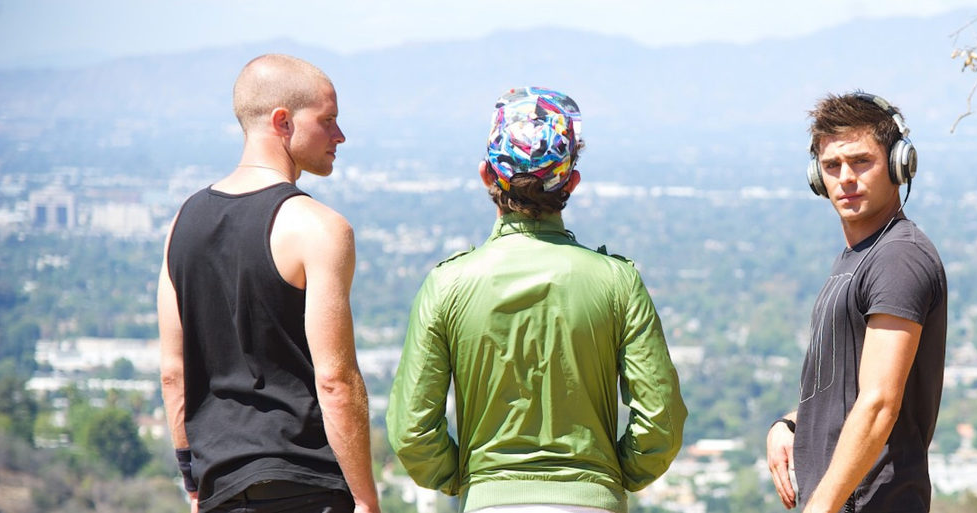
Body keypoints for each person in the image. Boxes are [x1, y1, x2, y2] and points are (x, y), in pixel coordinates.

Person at [386, 87, 687, 513]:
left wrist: (466, 481)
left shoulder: (447, 285)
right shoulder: (618, 282)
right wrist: (612, 476)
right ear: (572, 183)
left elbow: (412, 432)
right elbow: (661, 421)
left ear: (487, 176)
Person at [157, 54, 380, 513]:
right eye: (329, 120)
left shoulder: (183, 223)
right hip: (306, 485)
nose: (340, 136)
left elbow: (173, 372)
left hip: (219, 485)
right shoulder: (319, 228)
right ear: (283, 121)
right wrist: (364, 499)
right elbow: (336, 380)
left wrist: (193, 482)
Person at [765, 92, 948, 512]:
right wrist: (791, 423)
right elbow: (846, 384)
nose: (845, 177)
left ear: (900, 165)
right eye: (832, 166)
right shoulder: (862, 255)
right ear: (817, 176)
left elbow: (879, 402)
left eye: (861, 161)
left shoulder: (898, 257)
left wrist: (821, 506)